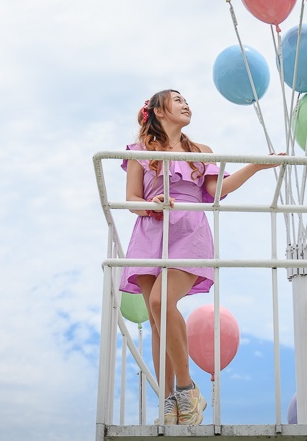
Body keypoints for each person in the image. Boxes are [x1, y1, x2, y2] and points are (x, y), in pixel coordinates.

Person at [120, 89, 280, 426]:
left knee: (163, 303)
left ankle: (186, 388)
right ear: (159, 111)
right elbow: (132, 198)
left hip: (188, 231)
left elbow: (215, 191)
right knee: (156, 322)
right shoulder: (138, 151)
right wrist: (153, 203)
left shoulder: (200, 151)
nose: (185, 103)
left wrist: (254, 166)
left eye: (185, 99)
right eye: (177, 99)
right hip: (150, 231)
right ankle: (168, 404)